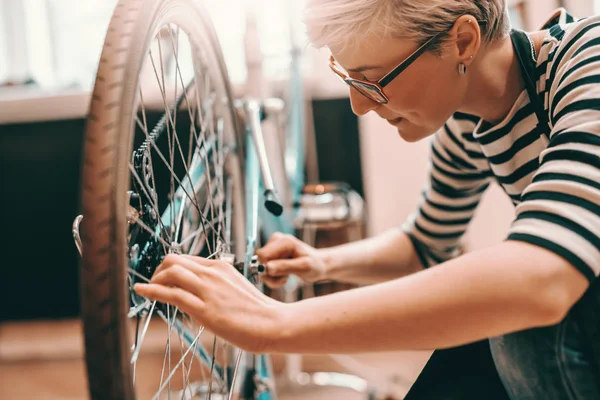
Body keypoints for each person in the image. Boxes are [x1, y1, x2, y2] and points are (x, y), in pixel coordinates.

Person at [134, 1, 600, 398]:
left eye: (373, 80)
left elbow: (543, 275)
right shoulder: (466, 122)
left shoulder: (589, 60)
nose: (359, 105)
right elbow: (424, 243)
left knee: (520, 331)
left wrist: (275, 321)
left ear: (462, 42)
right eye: (347, 77)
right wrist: (322, 264)